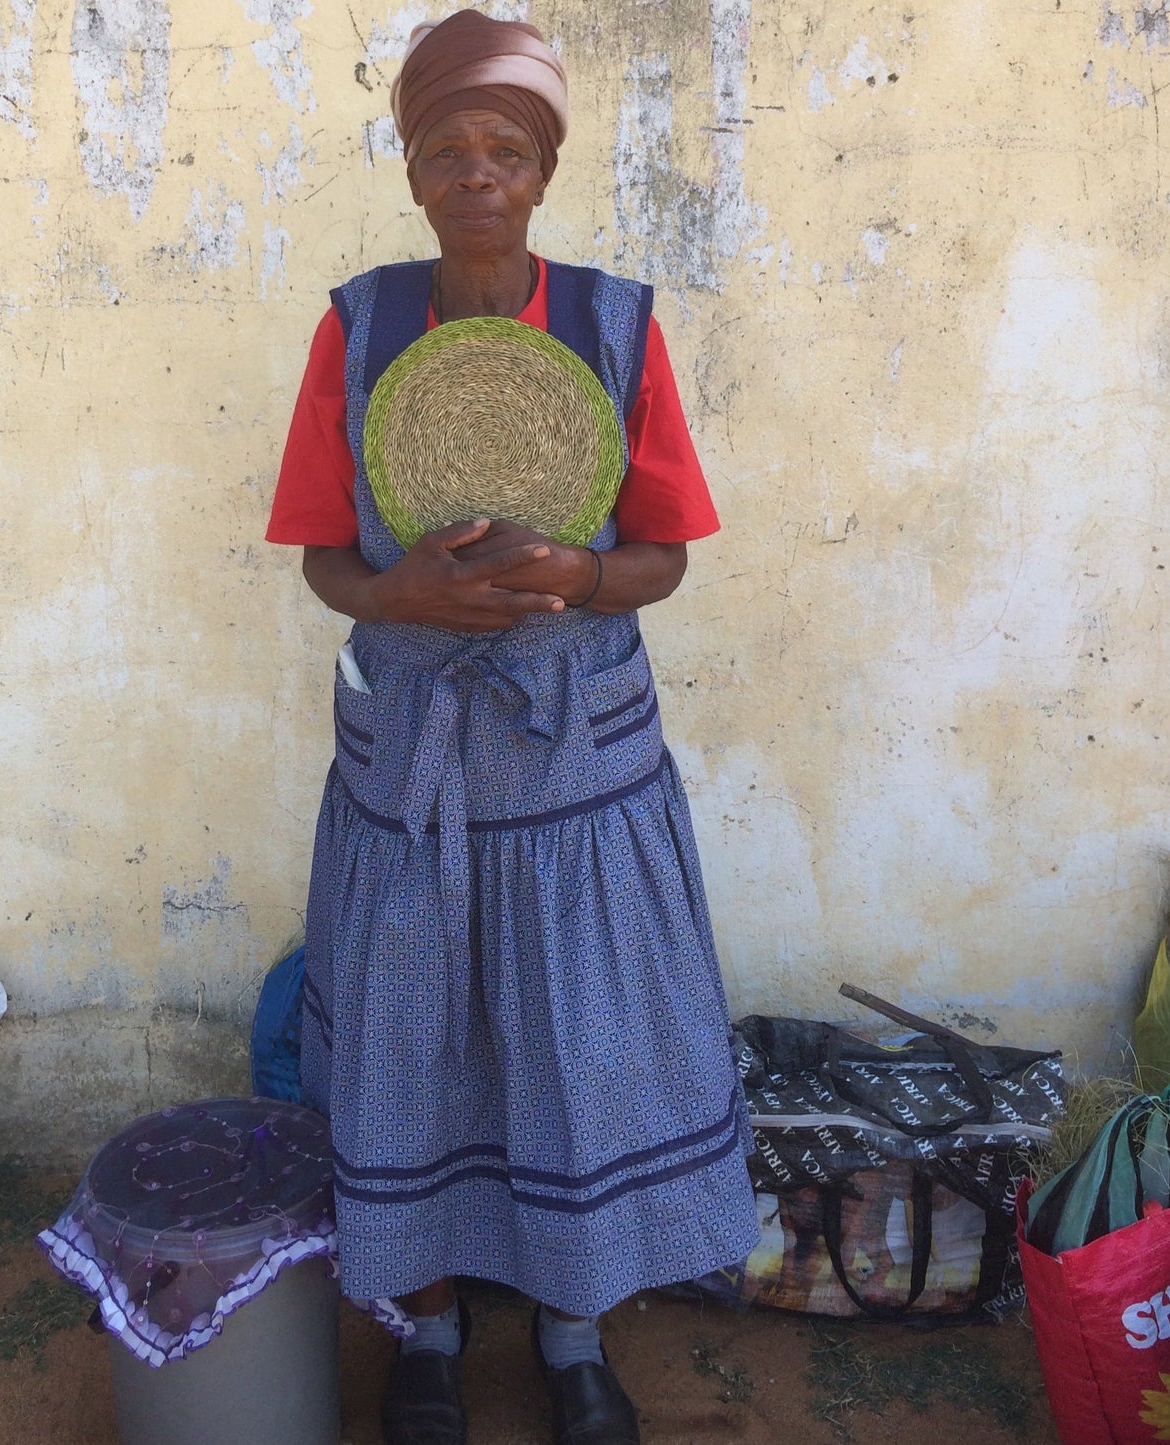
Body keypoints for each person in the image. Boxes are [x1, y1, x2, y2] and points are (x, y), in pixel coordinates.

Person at [266, 12, 759, 1444]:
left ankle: (571, 1329)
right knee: (409, 1035)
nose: (475, 173)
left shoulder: (613, 323)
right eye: (444, 150)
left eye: (506, 150)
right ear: (409, 170)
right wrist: (397, 587)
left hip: (574, 766)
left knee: (574, 1040)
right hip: (409, 766)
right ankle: (421, 1325)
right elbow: (319, 558)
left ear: (543, 171)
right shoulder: (358, 326)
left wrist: (579, 575)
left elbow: (663, 553)